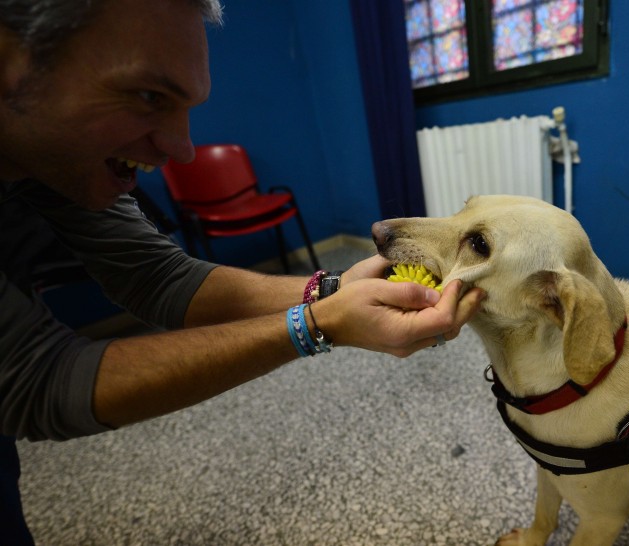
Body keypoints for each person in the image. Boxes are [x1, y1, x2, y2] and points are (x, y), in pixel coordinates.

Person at [0, 0, 486, 542]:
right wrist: (318, 325)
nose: (181, 150)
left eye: (184, 107)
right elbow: (38, 380)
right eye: (147, 97)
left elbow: (158, 278)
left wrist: (330, 289)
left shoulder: (61, 152)